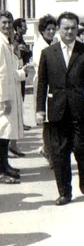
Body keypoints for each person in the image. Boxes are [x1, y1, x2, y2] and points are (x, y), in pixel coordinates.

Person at [36, 12, 84, 205]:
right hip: (57, 109)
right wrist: (39, 110)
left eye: (73, 28)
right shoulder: (48, 53)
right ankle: (65, 192)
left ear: (78, 29)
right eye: (66, 28)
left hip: (80, 109)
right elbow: (42, 83)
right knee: (59, 152)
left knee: (80, 147)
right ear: (58, 30)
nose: (69, 32)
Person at [0, 11, 29, 184]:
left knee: (5, 133)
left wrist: (21, 73)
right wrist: (3, 99)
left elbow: (9, 72)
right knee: (2, 134)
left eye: (9, 22)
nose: (7, 25)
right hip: (4, 96)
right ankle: (1, 170)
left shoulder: (6, 42)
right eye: (3, 22)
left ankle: (5, 165)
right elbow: (1, 73)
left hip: (9, 92)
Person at [32, 14, 57, 166]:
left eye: (53, 29)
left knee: (53, 121)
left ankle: (47, 149)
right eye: (48, 29)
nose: (51, 32)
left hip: (54, 85)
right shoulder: (39, 46)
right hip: (43, 84)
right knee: (47, 121)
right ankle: (49, 152)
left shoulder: (54, 42)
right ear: (42, 30)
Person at [10, 17, 32, 156]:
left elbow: (27, 53)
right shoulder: (15, 39)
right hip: (16, 73)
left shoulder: (18, 39)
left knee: (20, 100)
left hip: (21, 72)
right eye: (23, 26)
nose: (26, 29)